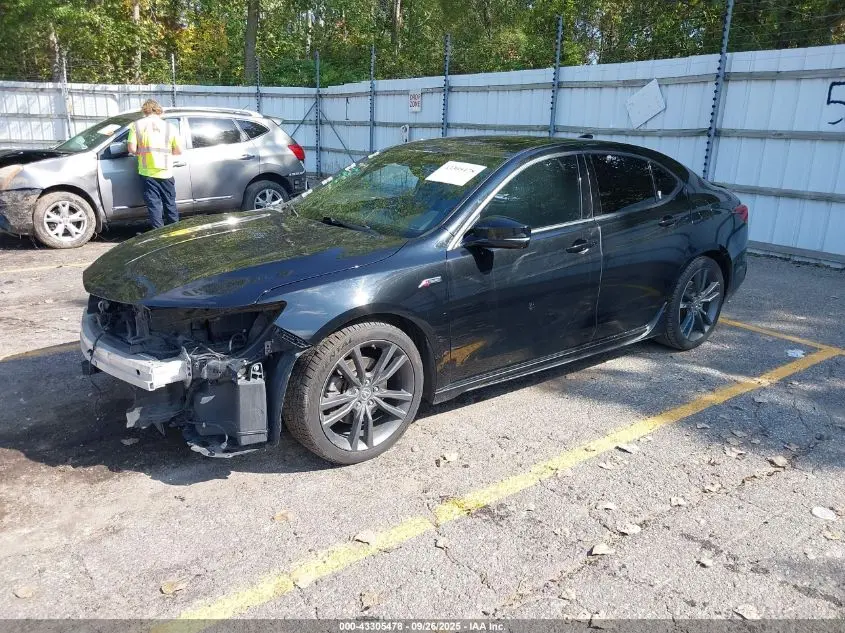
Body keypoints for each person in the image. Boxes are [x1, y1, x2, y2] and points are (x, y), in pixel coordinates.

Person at [127, 99, 183, 229]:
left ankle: (159, 235)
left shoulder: (136, 125)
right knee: (170, 204)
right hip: (166, 172)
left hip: (147, 173)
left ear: (144, 111)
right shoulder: (170, 127)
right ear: (159, 111)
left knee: (154, 206)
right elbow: (178, 151)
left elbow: (131, 149)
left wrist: (141, 152)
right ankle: (175, 233)